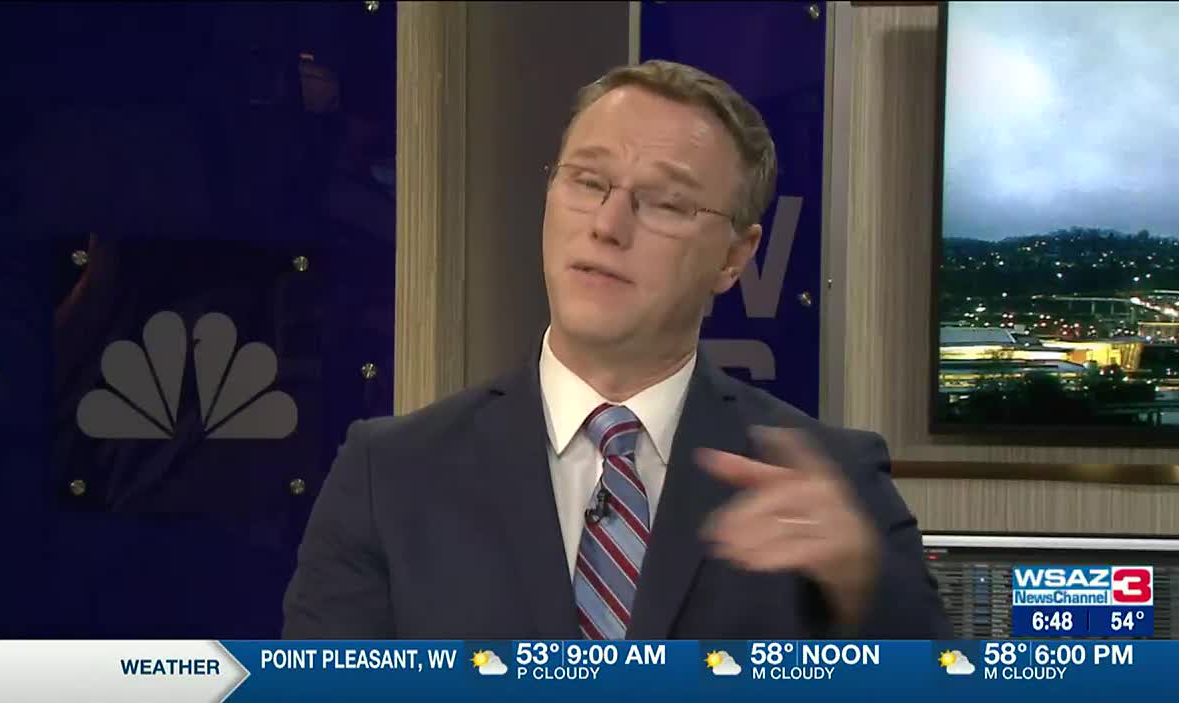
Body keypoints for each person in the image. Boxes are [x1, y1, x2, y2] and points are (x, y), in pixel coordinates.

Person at [282, 59, 951, 640]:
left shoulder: (833, 486)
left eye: (666, 202)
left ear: (734, 256)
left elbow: (939, 690)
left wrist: (864, 587)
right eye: (587, 181)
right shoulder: (389, 476)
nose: (607, 225)